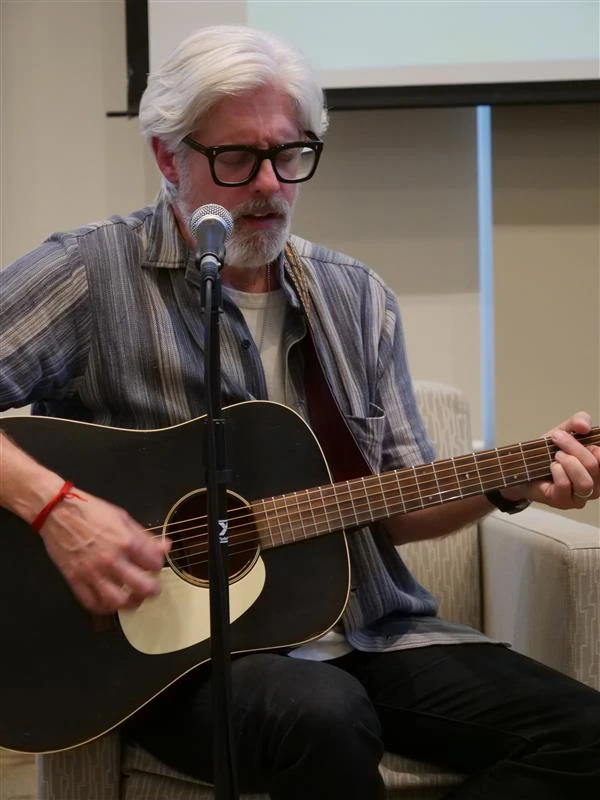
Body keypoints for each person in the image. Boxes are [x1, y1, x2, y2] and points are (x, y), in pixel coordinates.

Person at [0, 24, 599, 800]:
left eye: (290, 154)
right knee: (323, 716)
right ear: (166, 157)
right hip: (172, 656)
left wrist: (508, 483)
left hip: (370, 633)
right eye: (237, 158)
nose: (270, 185)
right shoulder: (89, 272)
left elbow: (398, 498)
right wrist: (59, 510)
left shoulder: (354, 297)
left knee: (584, 735)